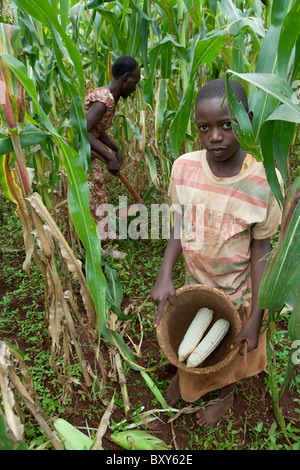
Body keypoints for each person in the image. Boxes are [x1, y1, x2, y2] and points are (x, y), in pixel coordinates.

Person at [150, 78, 283, 428]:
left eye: (227, 124)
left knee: (234, 354)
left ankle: (225, 395)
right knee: (197, 343)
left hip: (239, 288)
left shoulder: (264, 182)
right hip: (197, 280)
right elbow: (179, 224)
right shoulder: (184, 169)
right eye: (204, 128)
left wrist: (256, 312)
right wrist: (165, 274)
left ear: (247, 118)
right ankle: (187, 378)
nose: (215, 137)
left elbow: (261, 248)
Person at [84, 55, 140, 258]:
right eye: (135, 81)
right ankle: (99, 248)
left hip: (87, 155)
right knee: (95, 199)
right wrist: (109, 157)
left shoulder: (108, 99)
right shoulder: (104, 98)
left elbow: (96, 129)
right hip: (79, 157)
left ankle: (95, 244)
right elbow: (83, 130)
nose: (135, 88)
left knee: (98, 196)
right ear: (125, 78)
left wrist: (116, 148)